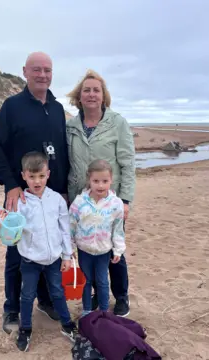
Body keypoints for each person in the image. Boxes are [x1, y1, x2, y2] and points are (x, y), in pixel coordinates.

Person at [0, 52, 70, 333]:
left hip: (53, 194)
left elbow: (63, 152)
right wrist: (10, 183)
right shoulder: (12, 106)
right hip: (19, 195)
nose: (43, 75)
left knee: (50, 250)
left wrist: (66, 192)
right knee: (15, 256)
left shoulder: (58, 109)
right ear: (25, 72)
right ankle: (11, 309)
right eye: (37, 70)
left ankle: (46, 300)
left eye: (47, 70)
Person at [0, 151, 78, 352]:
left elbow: (65, 229)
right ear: (23, 176)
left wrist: (66, 255)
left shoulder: (57, 200)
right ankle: (26, 329)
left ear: (48, 174)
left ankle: (67, 325)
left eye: (41, 176)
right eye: (32, 176)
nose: (37, 181)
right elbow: (8, 233)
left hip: (54, 259)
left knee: (57, 292)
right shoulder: (19, 203)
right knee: (27, 296)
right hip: (29, 260)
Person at [65, 69, 136, 317]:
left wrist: (125, 200)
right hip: (80, 200)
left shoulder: (118, 123)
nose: (92, 94)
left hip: (109, 201)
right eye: (87, 90)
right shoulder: (71, 125)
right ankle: (94, 295)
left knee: (113, 250)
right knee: (86, 250)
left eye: (96, 90)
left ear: (103, 95)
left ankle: (122, 297)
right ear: (79, 96)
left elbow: (127, 164)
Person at [69, 159, 126, 317]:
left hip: (103, 251)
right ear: (89, 180)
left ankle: (103, 311)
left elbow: (118, 229)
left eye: (105, 181)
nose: (100, 185)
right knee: (86, 281)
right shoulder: (79, 202)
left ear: (111, 180)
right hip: (84, 250)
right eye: (96, 181)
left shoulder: (116, 204)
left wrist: (118, 250)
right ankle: (87, 310)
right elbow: (71, 225)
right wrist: (70, 247)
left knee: (102, 282)